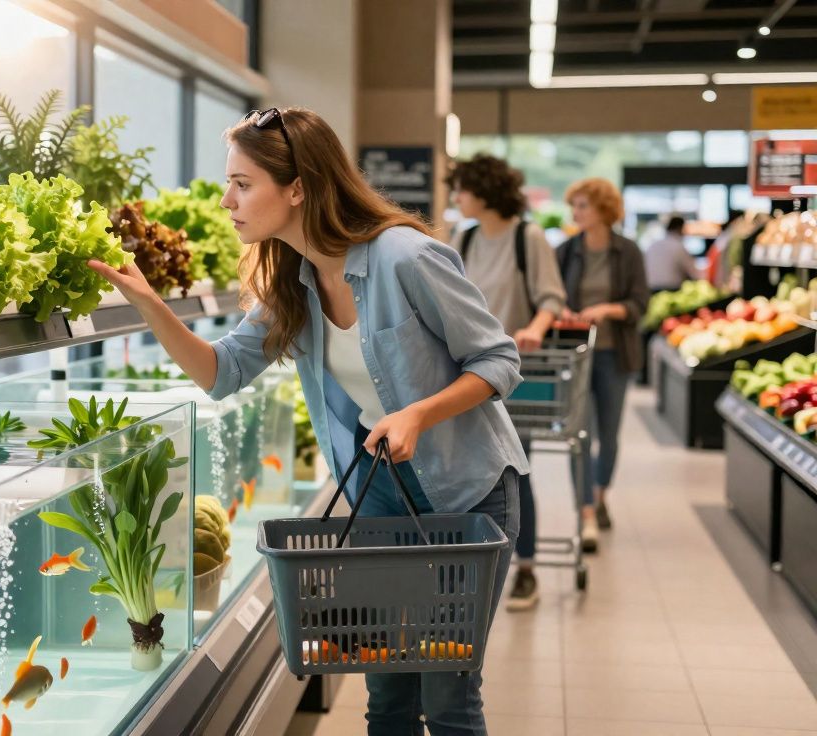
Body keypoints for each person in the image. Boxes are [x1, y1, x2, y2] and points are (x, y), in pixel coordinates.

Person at [89, 106, 527, 736]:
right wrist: (149, 304)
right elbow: (221, 373)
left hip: (467, 493)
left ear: (297, 188)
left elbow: (498, 359)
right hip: (379, 497)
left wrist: (417, 415)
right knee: (387, 694)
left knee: (448, 697)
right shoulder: (290, 283)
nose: (226, 198)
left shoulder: (405, 257)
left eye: (243, 184)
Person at [446, 153, 567, 612]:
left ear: (484, 190)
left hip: (514, 373)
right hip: (463, 373)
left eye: (462, 189)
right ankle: (470, 562)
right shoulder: (466, 236)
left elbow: (551, 298)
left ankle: (527, 567)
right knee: (472, 471)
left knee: (514, 471)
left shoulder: (527, 236)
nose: (457, 198)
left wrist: (536, 327)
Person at [556, 178, 650, 552]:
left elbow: (640, 304)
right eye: (574, 205)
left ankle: (599, 492)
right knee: (579, 435)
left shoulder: (628, 253)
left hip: (615, 355)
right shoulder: (565, 252)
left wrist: (608, 310)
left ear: (603, 210)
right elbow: (548, 297)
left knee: (608, 435)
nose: (576, 213)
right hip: (575, 355)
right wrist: (562, 311)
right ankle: (587, 510)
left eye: (583, 206)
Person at [644, 215, 700, 292]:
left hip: (650, 290)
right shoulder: (678, 247)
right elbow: (694, 274)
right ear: (681, 229)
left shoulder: (653, 245)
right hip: (672, 291)